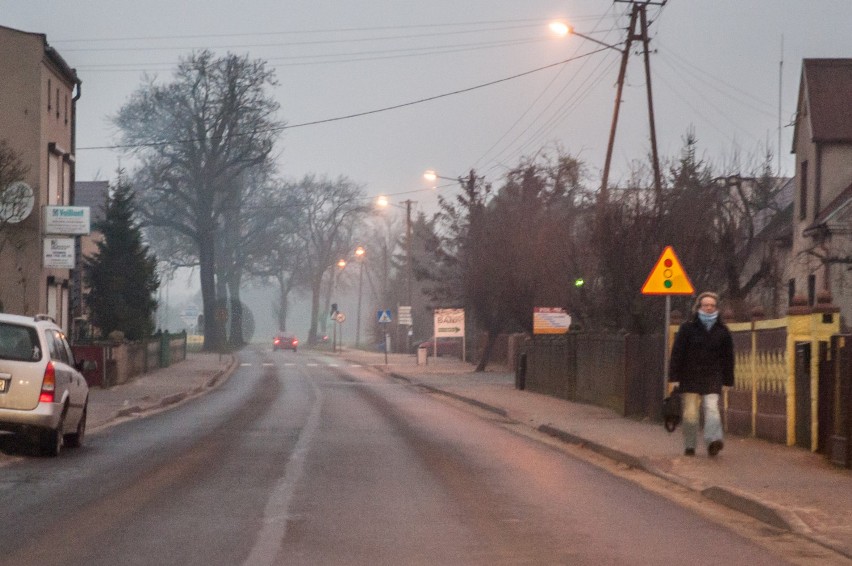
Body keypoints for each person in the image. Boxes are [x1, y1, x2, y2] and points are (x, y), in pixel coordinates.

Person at [668, 291, 735, 457]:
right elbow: (677, 353)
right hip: (690, 375)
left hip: (713, 376)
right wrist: (674, 377)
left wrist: (728, 380)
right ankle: (690, 444)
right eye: (706, 305)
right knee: (690, 414)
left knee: (712, 409)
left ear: (716, 308)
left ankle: (713, 441)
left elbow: (728, 357)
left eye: (712, 305)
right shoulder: (687, 328)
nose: (709, 308)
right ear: (699, 307)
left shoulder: (722, 331)